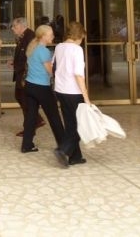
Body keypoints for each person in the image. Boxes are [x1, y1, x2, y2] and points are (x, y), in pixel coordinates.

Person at [21, 24, 65, 154]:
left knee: (31, 117)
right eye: (50, 34)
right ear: (44, 36)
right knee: (54, 117)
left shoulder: (32, 47)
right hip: (42, 88)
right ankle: (63, 145)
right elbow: (50, 72)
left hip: (29, 86)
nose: (53, 36)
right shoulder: (44, 51)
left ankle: (27, 145)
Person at [53, 21, 90, 167]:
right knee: (79, 126)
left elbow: (54, 66)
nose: (82, 42)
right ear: (79, 35)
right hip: (73, 92)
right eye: (82, 38)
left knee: (70, 124)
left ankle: (76, 157)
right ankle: (63, 150)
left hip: (60, 90)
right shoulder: (76, 50)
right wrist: (86, 97)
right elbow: (78, 75)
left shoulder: (59, 47)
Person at [11, 17, 44, 137]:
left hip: (26, 74)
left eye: (14, 26)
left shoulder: (29, 36)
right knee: (20, 97)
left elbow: (29, 56)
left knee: (24, 99)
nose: (12, 29)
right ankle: (35, 122)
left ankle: (31, 126)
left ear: (21, 26)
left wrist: (18, 65)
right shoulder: (24, 36)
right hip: (22, 72)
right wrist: (15, 62)